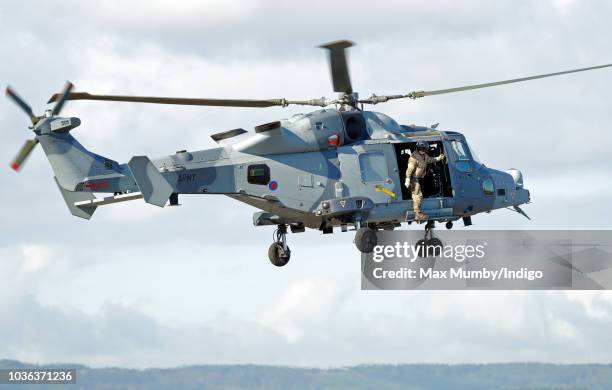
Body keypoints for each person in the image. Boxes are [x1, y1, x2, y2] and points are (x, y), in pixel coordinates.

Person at [404, 141, 445, 221]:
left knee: (420, 193)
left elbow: (429, 160)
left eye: (424, 149)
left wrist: (438, 158)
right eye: (421, 149)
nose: (423, 151)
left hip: (420, 178)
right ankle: (417, 213)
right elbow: (410, 168)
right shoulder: (414, 157)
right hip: (413, 178)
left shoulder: (424, 155)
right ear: (418, 148)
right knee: (417, 194)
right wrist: (408, 178)